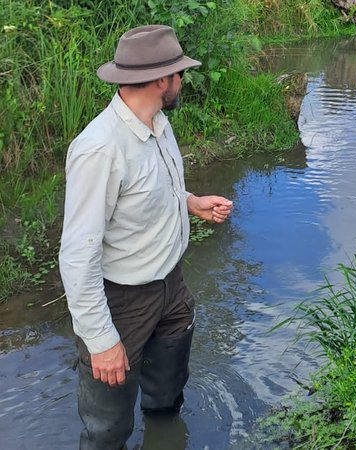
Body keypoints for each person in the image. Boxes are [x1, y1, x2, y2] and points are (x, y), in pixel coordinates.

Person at [59, 25, 233, 450]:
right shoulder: (100, 149)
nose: (181, 81)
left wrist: (190, 202)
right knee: (107, 429)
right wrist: (101, 341)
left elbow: (149, 192)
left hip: (170, 288)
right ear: (160, 81)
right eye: (178, 74)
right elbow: (77, 256)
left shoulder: (157, 122)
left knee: (166, 398)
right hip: (121, 303)